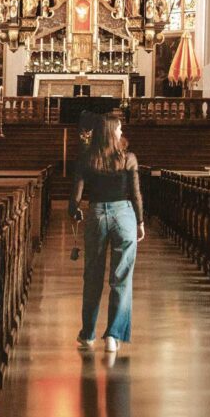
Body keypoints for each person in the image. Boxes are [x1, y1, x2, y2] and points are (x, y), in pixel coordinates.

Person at [70, 114, 145, 354]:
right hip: (124, 215)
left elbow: (75, 197)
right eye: (120, 130)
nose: (122, 134)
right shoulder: (128, 159)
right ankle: (113, 336)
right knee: (121, 277)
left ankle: (88, 334)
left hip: (96, 215)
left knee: (92, 276)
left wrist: (75, 211)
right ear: (112, 132)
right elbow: (136, 194)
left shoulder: (87, 158)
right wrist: (140, 221)